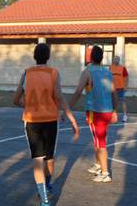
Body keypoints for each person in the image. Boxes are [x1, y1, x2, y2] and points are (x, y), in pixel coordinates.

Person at [13, 43, 79, 206]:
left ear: (34, 56)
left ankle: (44, 199)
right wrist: (72, 119)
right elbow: (59, 97)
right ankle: (48, 184)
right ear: (48, 56)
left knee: (37, 159)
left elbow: (15, 99)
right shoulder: (53, 73)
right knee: (49, 157)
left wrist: (28, 106)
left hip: (32, 121)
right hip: (50, 120)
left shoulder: (26, 73)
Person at [69, 45, 118, 183]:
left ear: (90, 57)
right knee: (97, 139)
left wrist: (67, 107)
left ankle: (105, 173)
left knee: (100, 142)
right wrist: (115, 111)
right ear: (102, 58)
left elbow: (78, 92)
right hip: (107, 111)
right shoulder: (108, 72)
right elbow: (114, 93)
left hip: (95, 112)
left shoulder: (87, 72)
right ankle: (98, 165)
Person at [110, 55, 129, 122]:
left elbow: (126, 77)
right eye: (114, 59)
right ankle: (114, 116)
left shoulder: (122, 68)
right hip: (113, 88)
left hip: (121, 88)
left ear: (119, 60)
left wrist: (126, 86)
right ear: (113, 60)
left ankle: (125, 116)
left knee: (123, 101)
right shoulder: (110, 67)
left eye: (117, 59)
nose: (116, 60)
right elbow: (108, 77)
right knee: (113, 102)